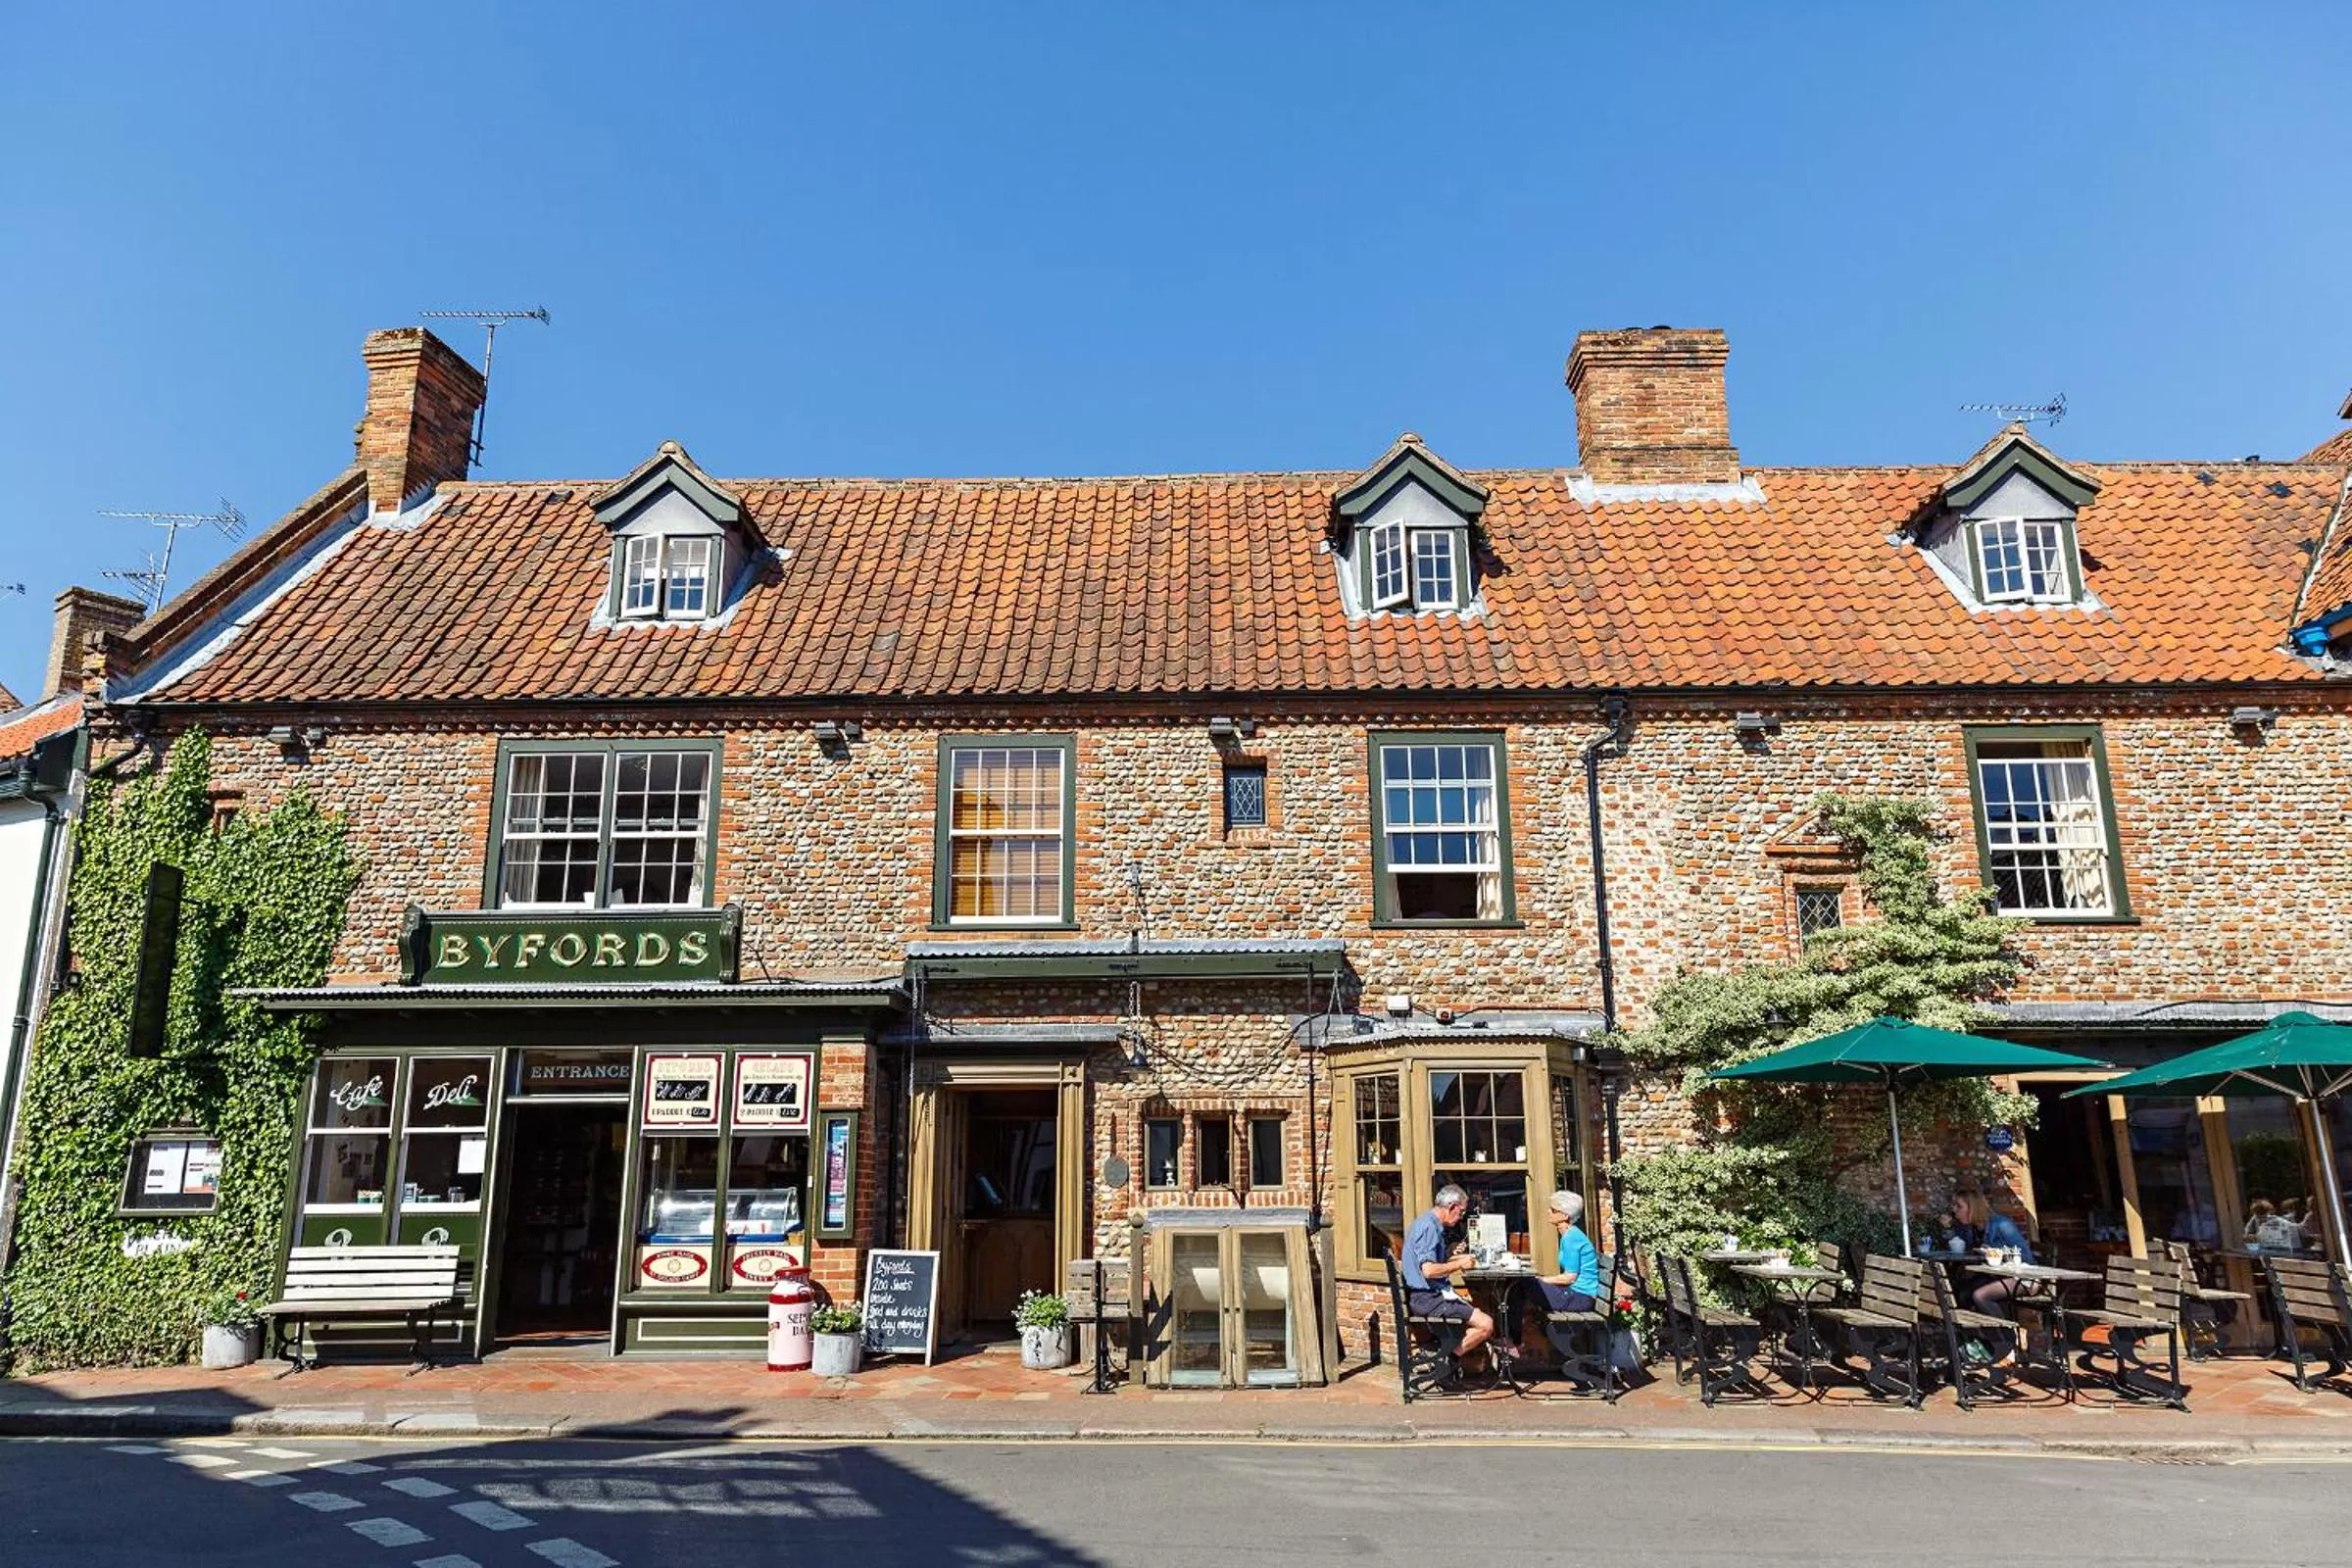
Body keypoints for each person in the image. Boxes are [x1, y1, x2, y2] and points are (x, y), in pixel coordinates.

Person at [1398, 1184, 1492, 1368]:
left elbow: (1429, 1263)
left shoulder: (1427, 1223)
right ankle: (1447, 1359)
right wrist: (1459, 1264)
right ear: (1451, 1207)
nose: (1461, 1216)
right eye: (1461, 1212)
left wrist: (1453, 1255)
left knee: (1475, 1312)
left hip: (1428, 1296)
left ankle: (1445, 1356)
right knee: (1486, 1324)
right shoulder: (1428, 1227)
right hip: (1428, 1299)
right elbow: (1429, 1270)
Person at [1950, 1182, 2035, 1317]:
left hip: (2023, 1278)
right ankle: (1979, 1330)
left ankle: (2004, 1329)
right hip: (1996, 1276)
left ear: (1973, 1208)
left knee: (1980, 1295)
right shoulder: (1974, 1228)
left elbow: (2026, 1258)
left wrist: (1996, 1254)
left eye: (1959, 1206)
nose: (1955, 1210)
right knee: (1961, 1291)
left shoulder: (2001, 1224)